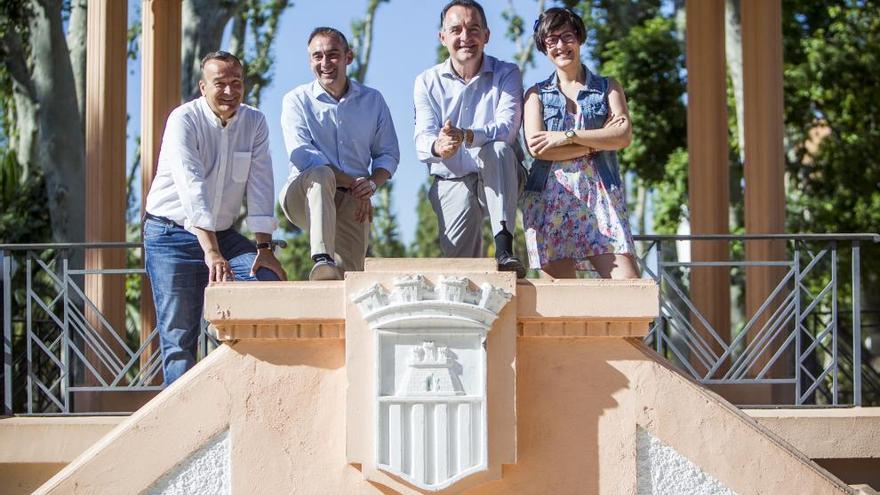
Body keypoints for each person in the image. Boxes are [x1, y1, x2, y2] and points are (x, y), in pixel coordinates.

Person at [144, 51, 286, 385]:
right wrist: (210, 252)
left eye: (236, 83)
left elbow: (262, 184)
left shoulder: (254, 122)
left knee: (266, 283)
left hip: (224, 234)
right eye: (219, 83)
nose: (229, 91)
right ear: (202, 87)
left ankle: (242, 387)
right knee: (179, 337)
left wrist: (264, 247)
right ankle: (178, 427)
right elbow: (192, 187)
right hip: (171, 235)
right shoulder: (184, 120)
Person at [521, 8, 639, 279]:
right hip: (551, 199)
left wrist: (566, 136)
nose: (561, 45)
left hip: (602, 196)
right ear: (544, 47)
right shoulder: (536, 95)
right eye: (552, 40)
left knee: (628, 288)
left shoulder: (608, 87)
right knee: (562, 303)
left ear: (579, 38)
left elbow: (622, 136)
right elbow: (538, 148)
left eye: (567, 36)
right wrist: (597, 142)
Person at [413, 0, 526, 278]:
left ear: (486, 35)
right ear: (443, 38)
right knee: (461, 270)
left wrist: (467, 135)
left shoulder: (507, 73)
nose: (465, 38)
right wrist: (437, 146)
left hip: (503, 175)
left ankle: (504, 249)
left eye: (473, 29)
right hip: (452, 178)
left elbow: (507, 129)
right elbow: (422, 138)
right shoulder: (426, 82)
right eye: (456, 30)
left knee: (498, 149)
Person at [280, 27, 400, 280]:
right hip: (304, 193)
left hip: (354, 198)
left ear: (349, 57)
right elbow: (303, 156)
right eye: (317, 56)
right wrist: (356, 182)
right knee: (321, 173)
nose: (325, 63)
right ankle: (322, 258)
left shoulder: (373, 100)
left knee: (350, 279)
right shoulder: (296, 100)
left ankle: (330, 287)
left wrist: (370, 185)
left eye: (333, 55)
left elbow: (388, 154)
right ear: (310, 60)